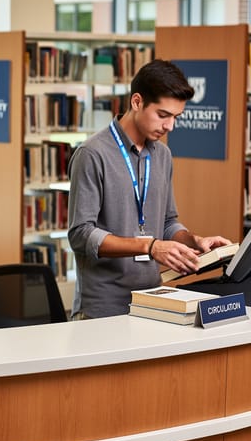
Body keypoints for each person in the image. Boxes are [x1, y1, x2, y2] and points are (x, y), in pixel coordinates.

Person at [66, 59, 232, 320]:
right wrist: (150, 246)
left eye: (176, 117)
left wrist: (194, 240)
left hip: (153, 301)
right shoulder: (92, 154)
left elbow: (167, 222)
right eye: (163, 115)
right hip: (102, 309)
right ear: (137, 102)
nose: (170, 127)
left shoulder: (163, 155)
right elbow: (80, 234)